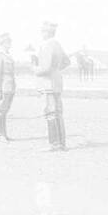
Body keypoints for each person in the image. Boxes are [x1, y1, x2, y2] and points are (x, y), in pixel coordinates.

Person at [33, 22, 71, 151]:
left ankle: (54, 144)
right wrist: (56, 70)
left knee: (50, 113)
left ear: (47, 33)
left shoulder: (46, 45)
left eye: (43, 32)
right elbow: (67, 62)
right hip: (57, 82)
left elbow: (46, 67)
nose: (42, 34)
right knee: (58, 113)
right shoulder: (58, 44)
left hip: (48, 83)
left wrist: (34, 69)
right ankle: (62, 144)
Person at [0, 33, 16, 143]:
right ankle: (0, 135)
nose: (10, 44)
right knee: (1, 111)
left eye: (10, 42)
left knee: (5, 111)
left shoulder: (9, 56)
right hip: (4, 88)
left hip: (10, 87)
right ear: (2, 44)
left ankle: (5, 134)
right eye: (8, 42)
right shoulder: (0, 56)